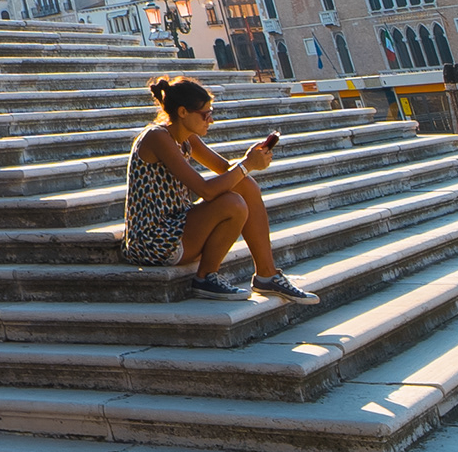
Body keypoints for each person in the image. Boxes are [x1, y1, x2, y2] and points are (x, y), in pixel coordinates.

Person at [126, 75, 316, 303]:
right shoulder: (157, 137)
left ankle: (267, 274)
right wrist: (247, 165)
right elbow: (205, 190)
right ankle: (206, 278)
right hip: (153, 241)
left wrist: (252, 159)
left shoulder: (186, 138)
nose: (211, 120)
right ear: (183, 112)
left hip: (177, 228)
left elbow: (225, 169)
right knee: (233, 203)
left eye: (211, 113)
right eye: (205, 115)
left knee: (245, 185)